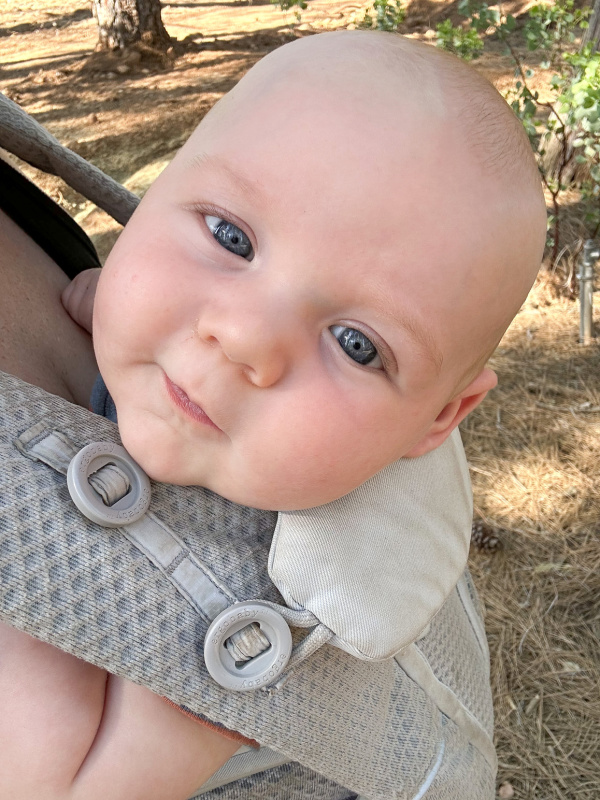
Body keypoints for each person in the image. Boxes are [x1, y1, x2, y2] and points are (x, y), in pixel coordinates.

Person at [0, 29, 546, 800]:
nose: (244, 339)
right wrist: (112, 294)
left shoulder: (341, 589)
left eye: (356, 345)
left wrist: (175, 730)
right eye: (229, 236)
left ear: (438, 422)